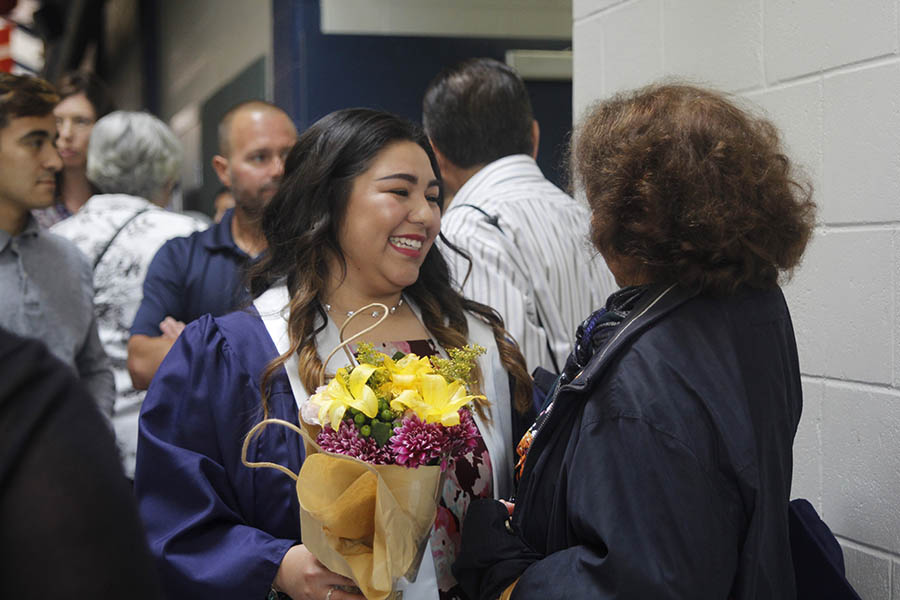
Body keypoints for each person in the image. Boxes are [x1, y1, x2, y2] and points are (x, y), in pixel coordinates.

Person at [135, 108, 534, 600]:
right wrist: (277, 565)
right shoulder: (240, 353)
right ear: (328, 198)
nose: (426, 214)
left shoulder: (471, 341)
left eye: (432, 196)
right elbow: (173, 518)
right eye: (399, 191)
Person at [453, 84, 817, 599]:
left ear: (632, 215)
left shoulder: (642, 376)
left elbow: (638, 580)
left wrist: (513, 581)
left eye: (599, 198)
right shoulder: (750, 308)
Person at [422, 58, 616, 375]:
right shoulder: (585, 216)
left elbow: (498, 382)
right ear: (534, 136)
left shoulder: (464, 233)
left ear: (436, 155)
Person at [52, 111, 206, 478]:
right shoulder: (193, 236)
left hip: (73, 440)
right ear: (167, 170)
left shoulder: (54, 241)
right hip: (167, 442)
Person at [127, 100, 297, 390]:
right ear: (223, 170)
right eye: (259, 157)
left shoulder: (317, 252)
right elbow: (142, 364)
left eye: (288, 156)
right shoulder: (181, 255)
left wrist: (195, 342)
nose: (279, 169)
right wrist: (278, 352)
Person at [0, 327, 163, 599]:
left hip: (102, 466)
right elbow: (141, 363)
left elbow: (95, 367)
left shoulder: (77, 284)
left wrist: (86, 428)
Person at [0, 72, 114, 416]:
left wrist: (88, 443)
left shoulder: (70, 259)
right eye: (36, 142)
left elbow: (94, 369)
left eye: (52, 142)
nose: (54, 159)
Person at [32, 70, 115, 228]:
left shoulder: (121, 203)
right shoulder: (34, 207)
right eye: (57, 121)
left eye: (81, 121)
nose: (66, 134)